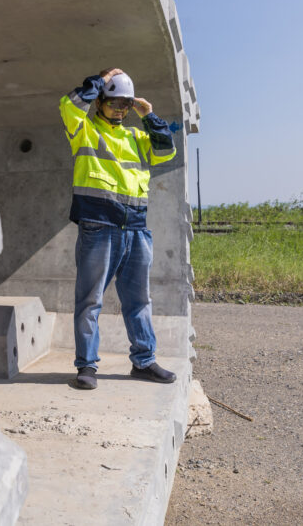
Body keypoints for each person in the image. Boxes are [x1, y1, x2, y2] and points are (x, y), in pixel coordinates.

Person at [58, 67, 178, 390]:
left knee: (139, 301)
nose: (121, 109)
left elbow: (166, 150)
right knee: (90, 301)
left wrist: (149, 115)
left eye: (126, 104)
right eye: (115, 102)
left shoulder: (136, 137)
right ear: (99, 102)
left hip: (136, 229)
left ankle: (144, 361)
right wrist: (100, 81)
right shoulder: (84, 130)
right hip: (99, 227)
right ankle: (87, 366)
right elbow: (69, 105)